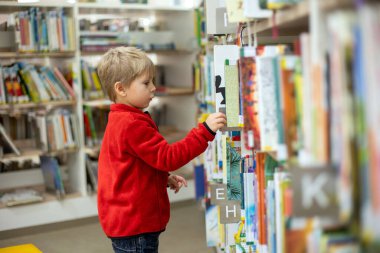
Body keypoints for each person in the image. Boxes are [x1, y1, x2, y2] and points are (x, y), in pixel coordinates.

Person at [96, 46, 227, 253]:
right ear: (121, 89)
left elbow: (130, 166)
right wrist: (205, 131)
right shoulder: (132, 123)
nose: (153, 88)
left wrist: (160, 176)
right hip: (135, 226)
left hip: (126, 222)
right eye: (146, 83)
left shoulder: (120, 118)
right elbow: (168, 157)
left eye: (153, 81)